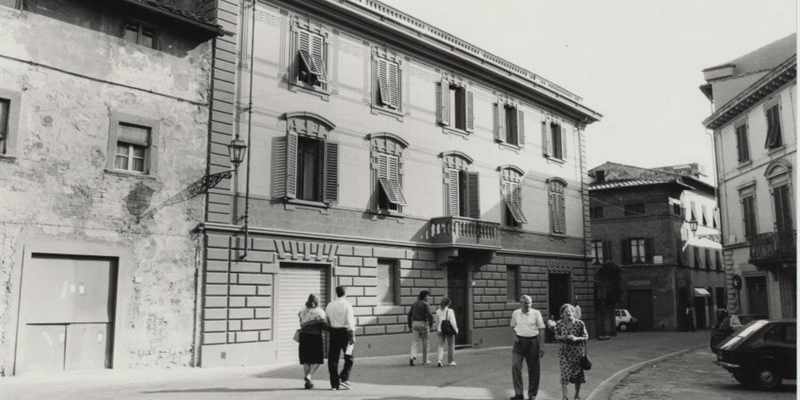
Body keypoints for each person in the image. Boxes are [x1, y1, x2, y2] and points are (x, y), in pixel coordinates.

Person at [509, 294, 546, 400]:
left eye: (529, 302)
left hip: (533, 342)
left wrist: (542, 345)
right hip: (519, 342)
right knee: (515, 366)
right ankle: (519, 393)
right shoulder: (516, 313)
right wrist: (515, 336)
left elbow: (541, 329)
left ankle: (532, 394)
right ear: (521, 304)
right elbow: (512, 326)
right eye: (525, 303)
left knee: (534, 369)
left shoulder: (536, 313)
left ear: (532, 303)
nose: (527, 305)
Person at [554, 303, 589, 400]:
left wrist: (576, 338)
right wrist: (564, 337)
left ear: (573, 313)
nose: (568, 313)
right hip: (564, 353)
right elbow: (556, 336)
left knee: (577, 374)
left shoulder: (579, 323)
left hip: (577, 353)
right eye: (565, 312)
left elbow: (586, 336)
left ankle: (576, 395)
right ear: (562, 314)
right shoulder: (559, 324)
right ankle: (565, 396)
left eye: (570, 311)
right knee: (565, 373)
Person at [325, 286, 356, 390]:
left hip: (334, 333)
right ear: (345, 293)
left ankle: (334, 384)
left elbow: (326, 319)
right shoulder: (347, 305)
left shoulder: (329, 305)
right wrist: (352, 335)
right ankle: (344, 377)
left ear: (336, 293)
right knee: (349, 357)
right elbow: (350, 321)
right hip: (345, 333)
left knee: (333, 359)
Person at [297, 293, 328, 389]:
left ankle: (308, 383)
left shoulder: (301, 311)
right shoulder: (319, 312)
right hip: (315, 337)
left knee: (306, 360)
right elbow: (324, 324)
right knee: (318, 359)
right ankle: (309, 375)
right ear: (317, 301)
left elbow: (301, 322)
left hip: (303, 337)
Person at [408, 290, 434, 366]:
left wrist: (409, 325)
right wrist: (431, 325)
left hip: (415, 324)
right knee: (425, 342)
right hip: (423, 323)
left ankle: (412, 357)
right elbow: (430, 315)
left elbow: (409, 315)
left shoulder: (414, 304)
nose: (428, 297)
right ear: (425, 296)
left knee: (415, 342)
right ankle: (425, 360)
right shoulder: (425, 304)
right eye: (428, 296)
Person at [435, 297, 459, 367]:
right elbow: (453, 322)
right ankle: (450, 361)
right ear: (448, 303)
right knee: (450, 345)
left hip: (440, 330)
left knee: (440, 345)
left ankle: (439, 360)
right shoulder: (450, 311)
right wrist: (456, 329)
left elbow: (436, 322)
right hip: (448, 330)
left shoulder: (438, 311)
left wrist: (437, 328)